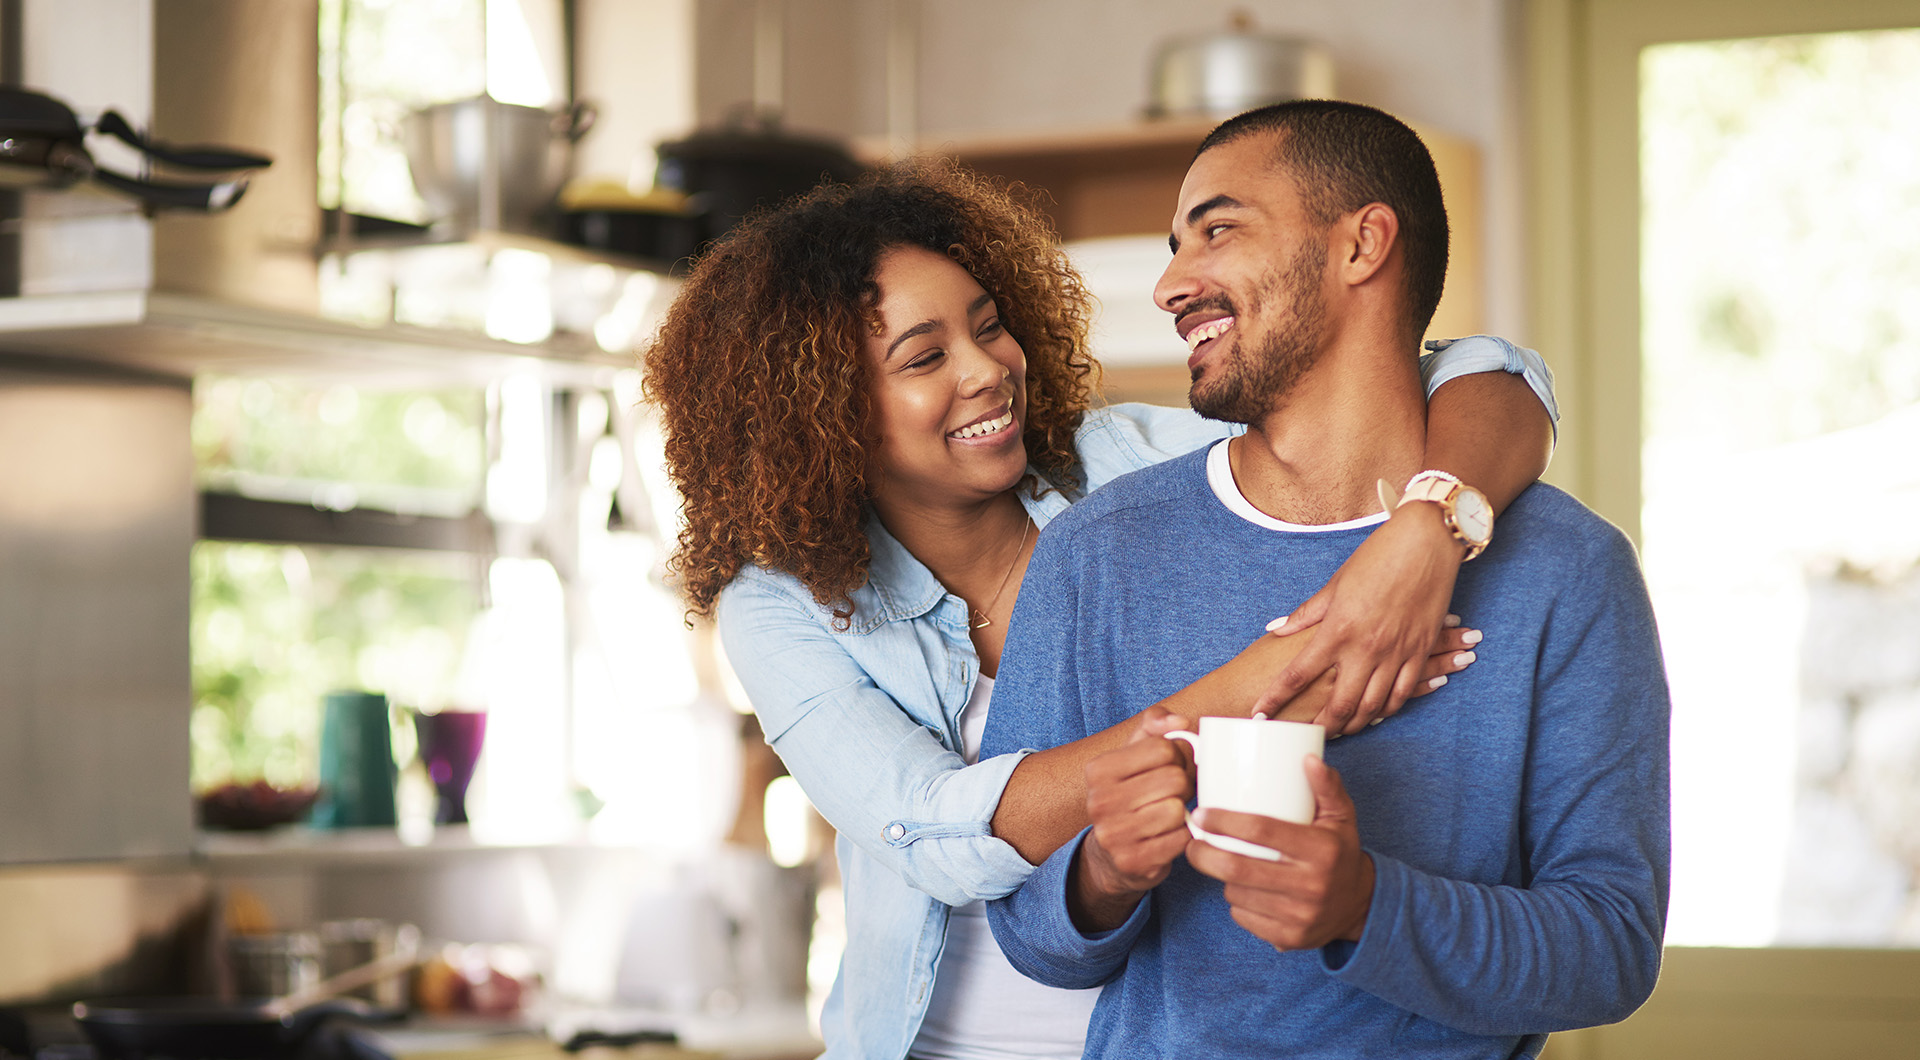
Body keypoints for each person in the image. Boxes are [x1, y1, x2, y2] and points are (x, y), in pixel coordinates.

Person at [643, 160, 1557, 1059]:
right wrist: (1283, 676)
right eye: (924, 357)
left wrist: (1422, 536)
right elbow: (935, 828)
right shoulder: (780, 604)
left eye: (990, 327)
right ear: (822, 415)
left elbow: (1487, 372)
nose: (988, 369)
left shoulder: (1127, 465)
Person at [981, 101, 1669, 1060]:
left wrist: (1364, 905)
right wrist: (1103, 870)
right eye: (1174, 246)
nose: (1172, 284)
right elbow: (1030, 936)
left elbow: (1611, 949)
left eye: (1217, 230)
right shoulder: (1097, 556)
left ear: (1363, 245)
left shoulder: (1566, 570)